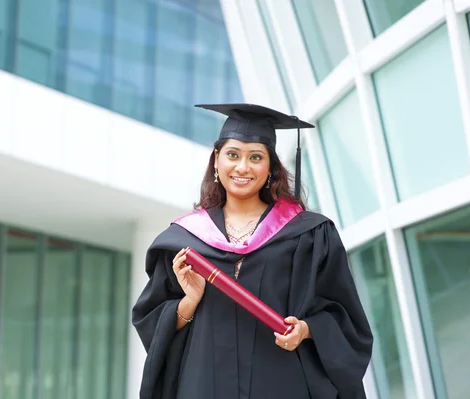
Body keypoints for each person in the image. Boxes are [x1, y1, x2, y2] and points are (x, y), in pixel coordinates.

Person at [132, 103, 373, 399]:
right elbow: (152, 324)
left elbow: (344, 318)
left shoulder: (309, 235)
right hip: (204, 385)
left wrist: (307, 330)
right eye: (233, 155)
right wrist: (189, 302)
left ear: (271, 167)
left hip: (282, 382)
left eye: (255, 157)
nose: (242, 167)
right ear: (217, 160)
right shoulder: (182, 239)